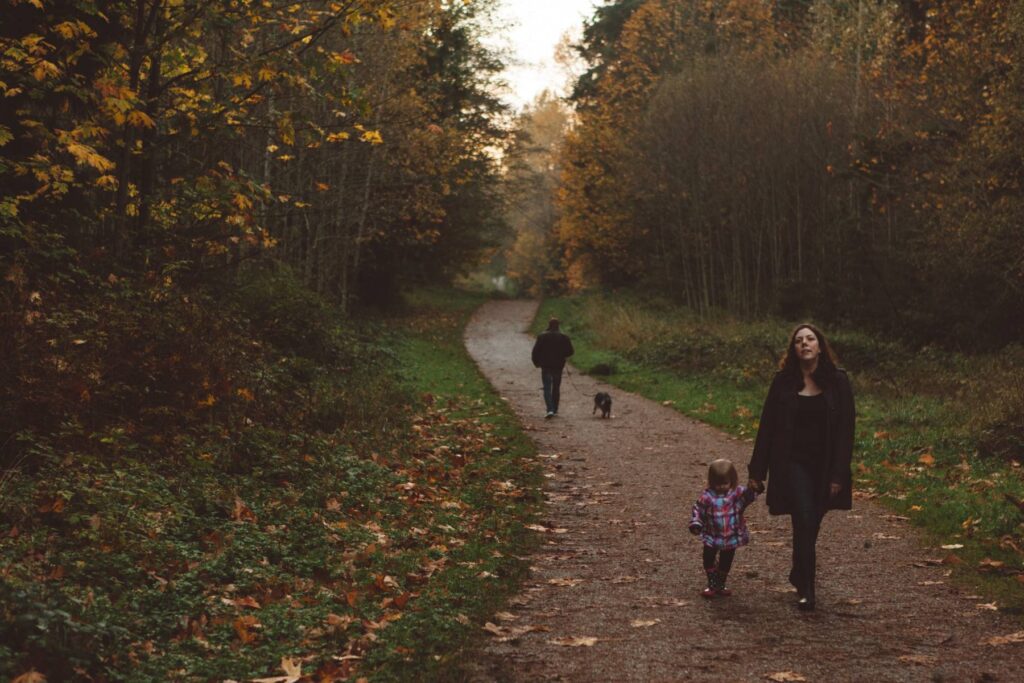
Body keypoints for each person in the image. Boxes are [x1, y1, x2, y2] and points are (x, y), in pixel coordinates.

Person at [747, 323, 855, 611]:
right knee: (805, 516)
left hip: (825, 464)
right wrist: (757, 472)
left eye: (810, 339)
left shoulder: (838, 382)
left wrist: (838, 474)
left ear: (820, 345)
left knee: (811, 522)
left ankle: (798, 571)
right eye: (799, 340)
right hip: (791, 462)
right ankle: (808, 587)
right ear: (793, 349)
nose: (805, 343)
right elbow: (767, 427)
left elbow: (846, 432)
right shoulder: (783, 382)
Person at [689, 459, 760, 598]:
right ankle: (712, 583)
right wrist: (696, 523)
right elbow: (698, 510)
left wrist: (754, 488)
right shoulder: (707, 497)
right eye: (717, 484)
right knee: (708, 558)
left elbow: (749, 497)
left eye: (725, 483)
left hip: (730, 535)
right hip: (712, 534)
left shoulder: (737, 493)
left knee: (726, 561)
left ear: (732, 481)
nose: (721, 487)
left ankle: (721, 583)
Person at [531, 317, 574, 418]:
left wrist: (537, 363)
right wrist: (563, 355)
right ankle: (555, 409)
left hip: (546, 366)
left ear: (549, 325)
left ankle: (549, 409)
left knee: (547, 388)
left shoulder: (542, 336)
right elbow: (571, 351)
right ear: (558, 325)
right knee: (556, 388)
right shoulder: (564, 337)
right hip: (558, 366)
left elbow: (535, 352)